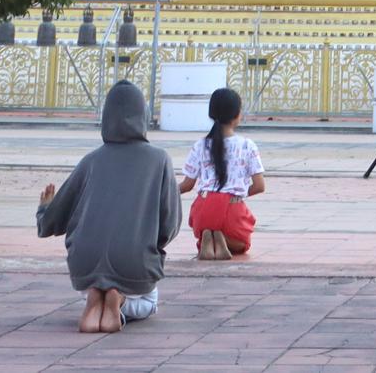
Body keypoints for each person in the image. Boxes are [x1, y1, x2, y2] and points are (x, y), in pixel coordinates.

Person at [35, 81, 180, 332]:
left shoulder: (90, 161)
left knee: (95, 280)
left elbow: (51, 224)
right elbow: (170, 224)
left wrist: (44, 210)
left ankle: (94, 297)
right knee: (150, 302)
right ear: (144, 116)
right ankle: (120, 300)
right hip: (134, 264)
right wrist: (149, 245)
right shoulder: (159, 160)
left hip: (86, 265)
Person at [180, 86, 264, 262]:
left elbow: (187, 185)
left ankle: (208, 237)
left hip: (204, 208)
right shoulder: (247, 145)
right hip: (232, 209)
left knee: (207, 226)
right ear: (237, 115)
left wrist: (161, 191)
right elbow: (259, 186)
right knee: (243, 245)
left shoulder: (200, 145)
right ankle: (223, 239)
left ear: (212, 114)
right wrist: (238, 195)